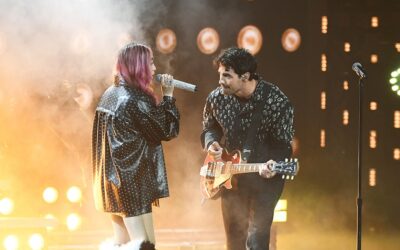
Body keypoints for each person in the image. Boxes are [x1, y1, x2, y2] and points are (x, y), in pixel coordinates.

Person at [201, 47, 294, 250]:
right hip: (231, 178)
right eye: (220, 74)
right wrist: (212, 143)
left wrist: (273, 163)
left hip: (264, 179)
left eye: (226, 75)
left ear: (245, 76)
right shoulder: (217, 98)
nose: (220, 80)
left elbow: (283, 145)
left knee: (257, 240)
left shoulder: (277, 102)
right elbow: (210, 127)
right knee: (234, 240)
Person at [92, 42, 180, 250]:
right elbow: (167, 130)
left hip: (113, 184)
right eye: (150, 63)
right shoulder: (134, 100)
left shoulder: (110, 94)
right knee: (144, 246)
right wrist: (168, 96)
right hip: (131, 184)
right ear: (138, 66)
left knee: (122, 244)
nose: (155, 68)